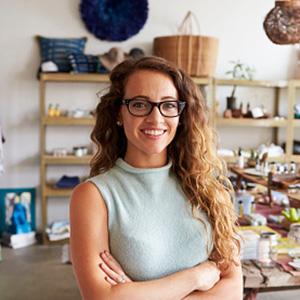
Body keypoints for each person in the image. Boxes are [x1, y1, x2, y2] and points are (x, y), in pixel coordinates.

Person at [70, 56, 243, 300]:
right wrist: (196, 277)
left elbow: (232, 291)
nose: (156, 118)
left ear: (181, 114)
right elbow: (102, 298)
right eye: (140, 104)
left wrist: (137, 293)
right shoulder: (93, 196)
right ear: (119, 112)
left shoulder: (207, 186)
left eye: (168, 105)